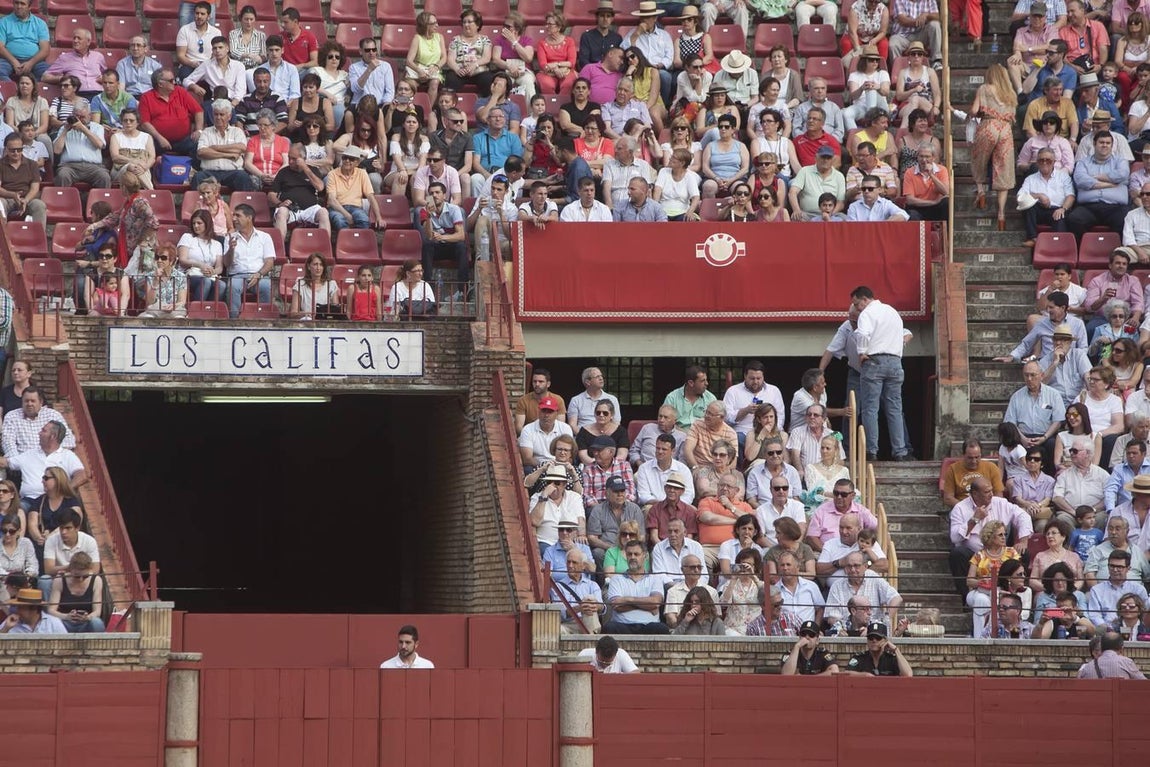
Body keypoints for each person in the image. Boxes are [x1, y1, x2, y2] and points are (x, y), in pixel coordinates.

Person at [948, 477, 1034, 595]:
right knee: (957, 554)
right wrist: (974, 519)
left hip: (1001, 553)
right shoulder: (960, 508)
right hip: (975, 554)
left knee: (1023, 552)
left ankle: (1016, 595)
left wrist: (1023, 541)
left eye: (991, 490)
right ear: (974, 494)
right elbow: (955, 538)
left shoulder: (1000, 502)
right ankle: (966, 600)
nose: (991, 494)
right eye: (987, 492)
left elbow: (1023, 516)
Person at [603, 538, 670, 634]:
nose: (632, 557)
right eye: (629, 554)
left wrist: (627, 600)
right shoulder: (616, 579)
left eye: (636, 554)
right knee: (609, 627)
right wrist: (647, 605)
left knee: (662, 629)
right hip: (622, 625)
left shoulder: (655, 579)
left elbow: (655, 602)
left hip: (649, 625)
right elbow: (617, 606)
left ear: (645, 556)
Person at [222, 204, 274, 318]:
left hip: (259, 275)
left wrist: (259, 274)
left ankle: (264, 320)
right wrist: (231, 249)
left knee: (266, 286)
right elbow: (226, 263)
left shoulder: (265, 237)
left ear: (249, 218)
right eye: (234, 215)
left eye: (238, 216)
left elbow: (270, 261)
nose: (234, 219)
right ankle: (233, 321)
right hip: (237, 275)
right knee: (233, 287)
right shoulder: (229, 237)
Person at [1086, 550, 1150, 624]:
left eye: (1119, 567)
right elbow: (1094, 615)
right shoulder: (1096, 590)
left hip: (1134, 628)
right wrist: (1107, 629)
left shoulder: (1138, 589)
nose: (1115, 570)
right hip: (1106, 631)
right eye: (1112, 566)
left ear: (1128, 568)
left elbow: (1144, 613)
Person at [46, 552, 103, 633]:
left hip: (86, 623)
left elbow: (97, 611)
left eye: (85, 576)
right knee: (52, 623)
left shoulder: (96, 580)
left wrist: (88, 617)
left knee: (97, 623)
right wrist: (66, 616)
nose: (81, 579)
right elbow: (51, 610)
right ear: (70, 570)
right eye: (77, 576)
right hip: (65, 623)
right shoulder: (59, 581)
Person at [943, 438, 1007, 508]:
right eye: (970, 458)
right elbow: (948, 498)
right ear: (963, 455)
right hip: (962, 508)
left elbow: (998, 496)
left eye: (977, 457)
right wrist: (965, 509)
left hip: (987, 509)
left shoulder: (992, 468)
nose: (974, 461)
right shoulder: (953, 469)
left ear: (981, 455)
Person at [553, 549, 604, 633]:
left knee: (590, 600)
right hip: (568, 624)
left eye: (574, 562)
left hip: (589, 620)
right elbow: (559, 614)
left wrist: (596, 606)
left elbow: (602, 608)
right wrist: (579, 608)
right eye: (568, 562)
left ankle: (590, 639)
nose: (570, 565)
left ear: (583, 566)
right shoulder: (558, 587)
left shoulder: (592, 585)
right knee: (558, 629)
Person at [1077, 630, 1147, 677]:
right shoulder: (1126, 662)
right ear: (1121, 649)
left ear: (1102, 647)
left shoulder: (1087, 667)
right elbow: (1143, 684)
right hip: (1121, 699)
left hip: (1095, 699)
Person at [0, 588, 65, 634]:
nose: (17, 611)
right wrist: (6, 628)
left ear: (34, 609)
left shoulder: (53, 623)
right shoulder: (8, 623)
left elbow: (66, 647)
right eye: (17, 607)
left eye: (21, 608)